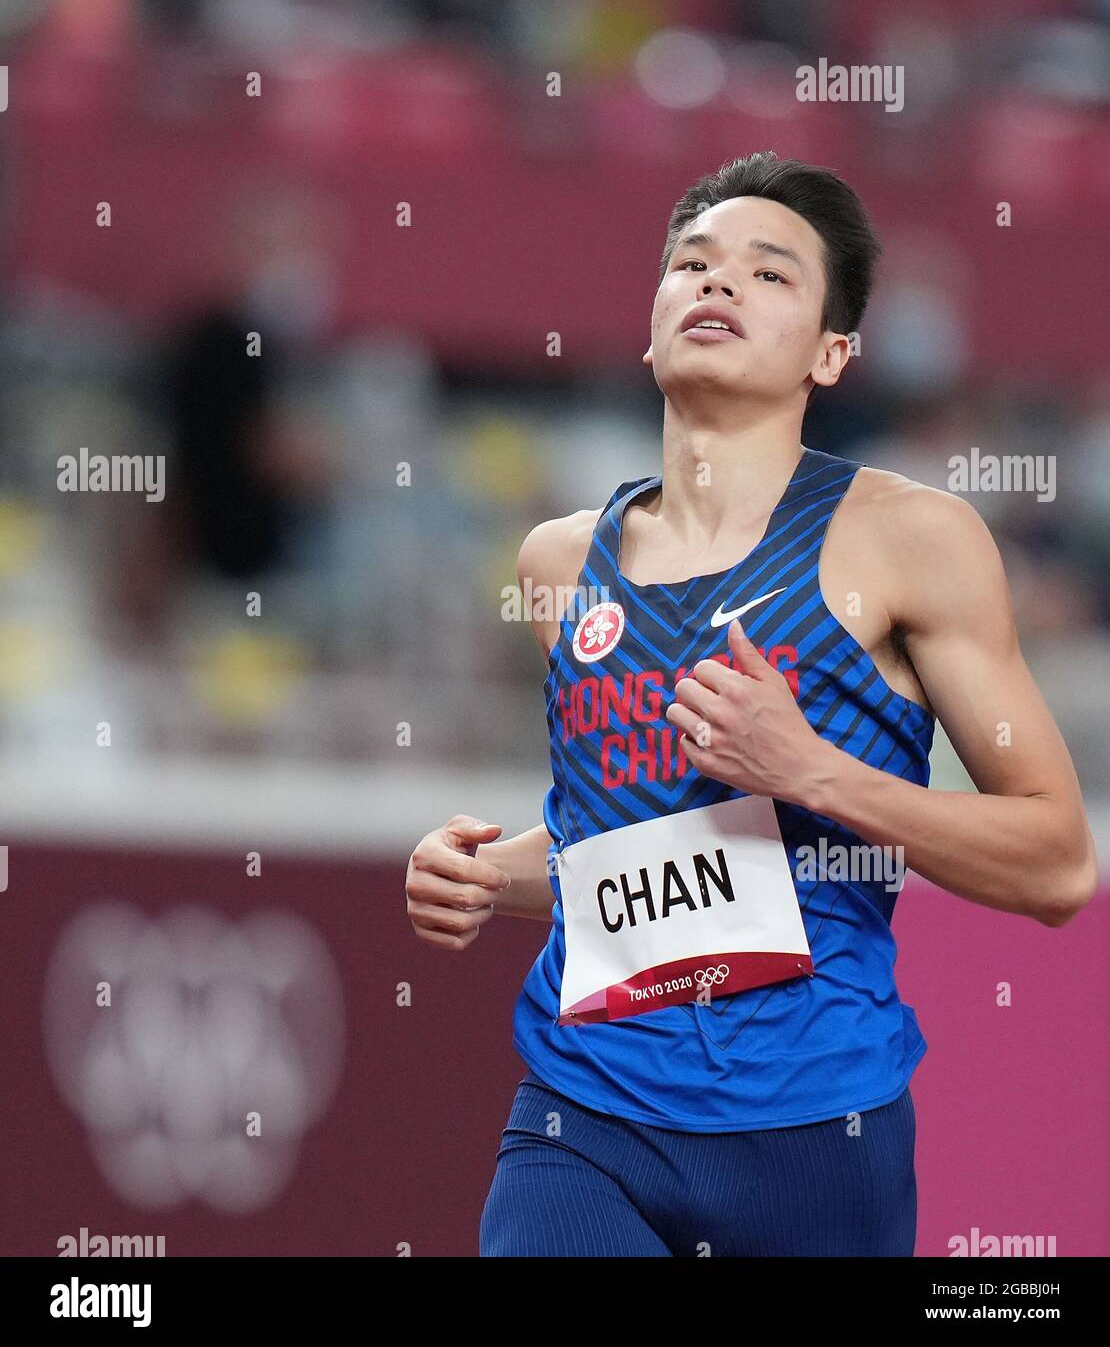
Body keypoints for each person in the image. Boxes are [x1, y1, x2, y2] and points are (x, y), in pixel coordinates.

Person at [404, 152, 1098, 1257]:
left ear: (834, 350)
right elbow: (633, 845)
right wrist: (484, 874)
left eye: (770, 274)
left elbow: (1058, 861)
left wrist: (810, 767)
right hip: (584, 1112)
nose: (718, 285)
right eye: (693, 263)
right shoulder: (558, 561)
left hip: (817, 1132)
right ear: (650, 324)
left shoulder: (913, 541)